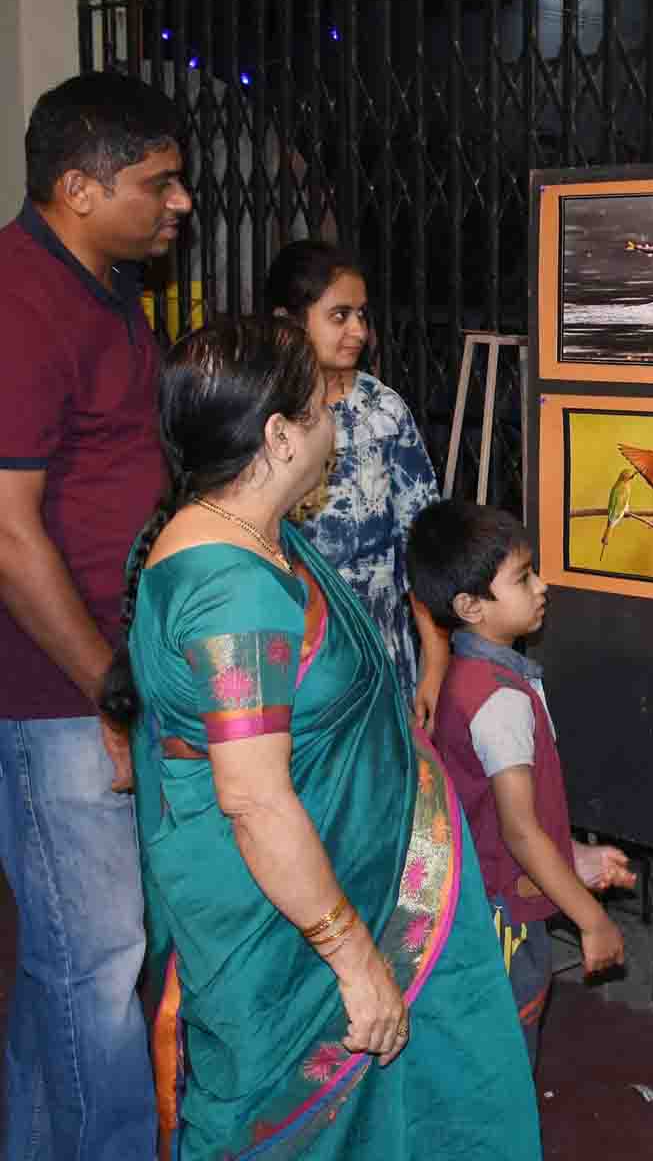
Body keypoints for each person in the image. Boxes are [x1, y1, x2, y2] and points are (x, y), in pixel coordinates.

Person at [100, 318, 539, 1157]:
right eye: (321, 407)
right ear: (277, 436)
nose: (336, 421)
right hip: (292, 930)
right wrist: (355, 960)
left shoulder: (246, 535)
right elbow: (258, 801)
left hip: (351, 876)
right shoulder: (231, 591)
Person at [0, 71, 191, 1160]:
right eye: (158, 183)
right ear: (78, 186)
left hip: (102, 676)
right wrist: (104, 684)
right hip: (54, 694)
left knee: (71, 965)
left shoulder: (105, 290)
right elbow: (8, 528)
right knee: (101, 962)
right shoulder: (20, 301)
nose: (181, 204)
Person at [409, 499, 635, 1062]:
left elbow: (501, 815)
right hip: (501, 919)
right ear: (471, 606)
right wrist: (593, 920)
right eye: (523, 578)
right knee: (504, 1053)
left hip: (486, 899)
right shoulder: (500, 702)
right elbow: (520, 833)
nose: (542, 587)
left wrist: (574, 857)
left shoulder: (472, 679)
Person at [265, 240, 446, 725]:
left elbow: (421, 538)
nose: (358, 331)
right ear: (289, 321)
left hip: (381, 652)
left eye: (362, 315)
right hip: (292, 657)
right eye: (339, 315)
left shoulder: (384, 412)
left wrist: (434, 657)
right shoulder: (258, 415)